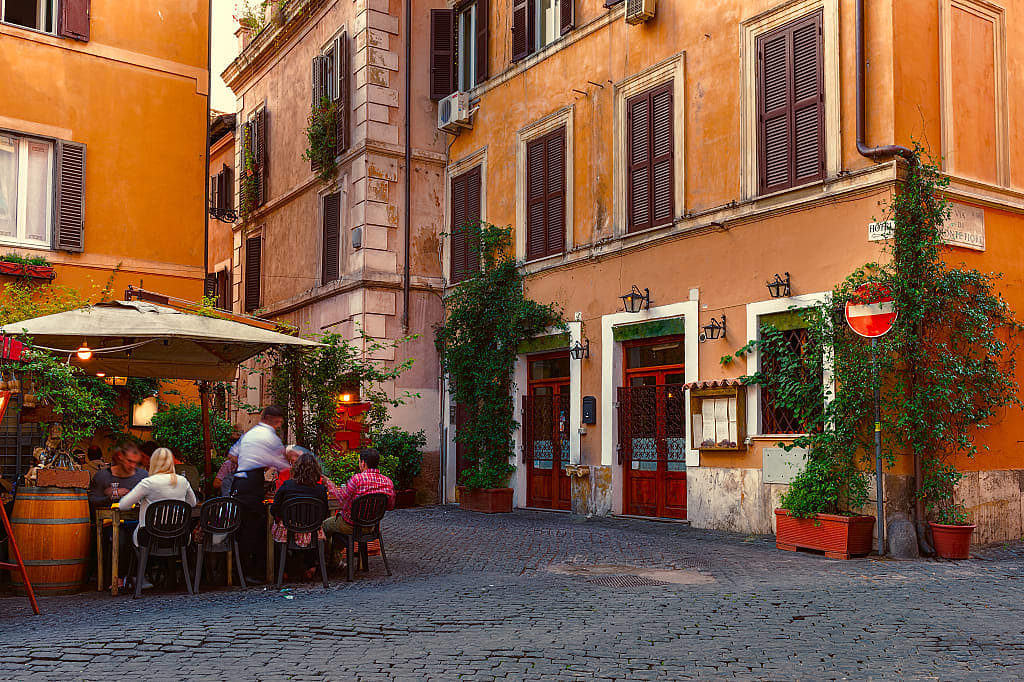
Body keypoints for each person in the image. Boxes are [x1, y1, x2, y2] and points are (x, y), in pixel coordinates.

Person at [232, 406, 296, 582]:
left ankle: (245, 572)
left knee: (249, 531)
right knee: (251, 531)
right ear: (268, 419)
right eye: (277, 422)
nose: (279, 425)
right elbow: (279, 462)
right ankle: (247, 573)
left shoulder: (252, 435)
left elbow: (233, 456)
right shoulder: (264, 436)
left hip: (242, 486)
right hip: (249, 490)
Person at [87, 441, 148, 585]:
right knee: (120, 537)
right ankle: (117, 578)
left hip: (136, 521)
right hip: (110, 523)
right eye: (129, 461)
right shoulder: (102, 476)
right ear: (120, 457)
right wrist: (110, 496)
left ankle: (139, 576)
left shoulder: (142, 476)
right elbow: (91, 501)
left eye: (135, 462)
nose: (132, 466)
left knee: (146, 535)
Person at [117, 448, 197, 546]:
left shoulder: (148, 483)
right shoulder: (183, 481)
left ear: (153, 463)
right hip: (178, 536)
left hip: (150, 537)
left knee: (126, 530)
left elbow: (123, 505)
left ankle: (137, 556)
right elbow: (192, 503)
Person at [270, 450, 329, 580]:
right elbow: (325, 512)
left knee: (274, 532)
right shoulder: (320, 489)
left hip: (288, 530)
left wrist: (282, 519)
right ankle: (312, 566)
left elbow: (274, 509)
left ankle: (283, 570)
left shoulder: (287, 485)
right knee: (315, 529)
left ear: (296, 469)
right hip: (312, 530)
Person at [323, 447, 395, 538]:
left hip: (351, 525)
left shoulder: (357, 479)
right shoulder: (388, 482)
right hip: (372, 526)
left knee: (325, 525)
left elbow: (341, 498)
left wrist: (329, 483)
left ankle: (331, 547)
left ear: (363, 463)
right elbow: (390, 506)